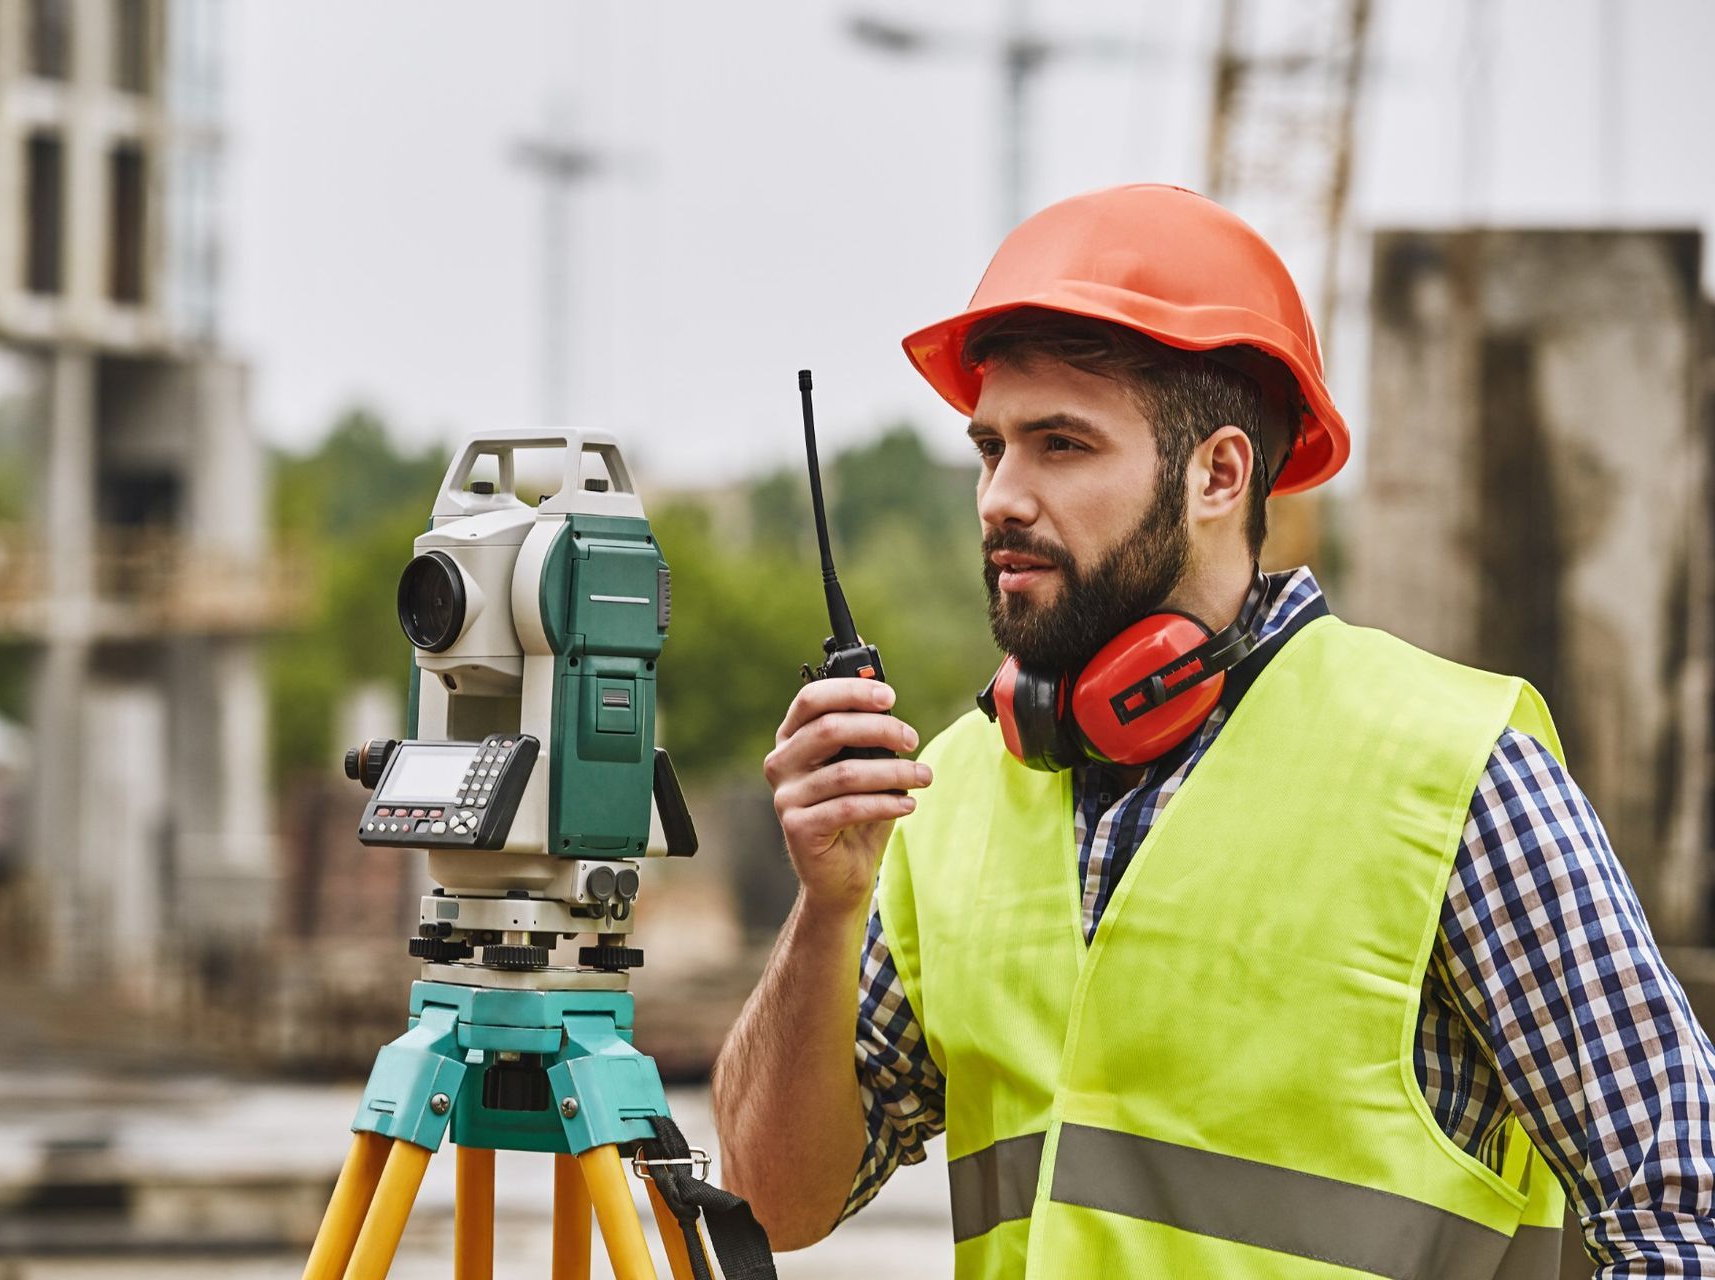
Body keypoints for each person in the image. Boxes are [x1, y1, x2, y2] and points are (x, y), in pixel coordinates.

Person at [711, 183, 1715, 1277]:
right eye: (990, 446)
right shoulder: (938, 794)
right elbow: (771, 1201)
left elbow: (1680, 1204)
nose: (1001, 494)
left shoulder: (1452, 771)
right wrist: (828, 903)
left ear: (1219, 472)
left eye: (1062, 444)